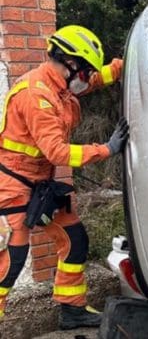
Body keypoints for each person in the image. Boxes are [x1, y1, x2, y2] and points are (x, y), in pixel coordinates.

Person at [0, 25, 128, 330]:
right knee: (11, 259)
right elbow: (57, 152)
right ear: (69, 64)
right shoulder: (37, 96)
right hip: (13, 183)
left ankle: (72, 311)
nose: (87, 78)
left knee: (74, 238)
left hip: (41, 183)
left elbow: (94, 80)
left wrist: (126, 65)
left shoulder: (62, 85)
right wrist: (106, 149)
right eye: (84, 72)